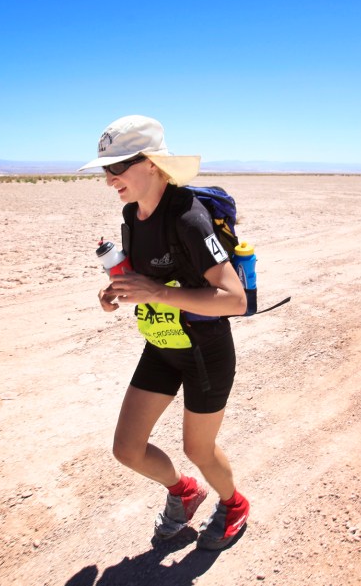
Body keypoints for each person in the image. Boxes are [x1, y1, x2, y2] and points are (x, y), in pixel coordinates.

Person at [79, 115, 250, 550]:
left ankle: (234, 504)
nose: (109, 180)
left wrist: (156, 290)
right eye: (105, 170)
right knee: (128, 449)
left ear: (152, 163)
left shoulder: (190, 218)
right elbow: (145, 274)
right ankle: (184, 492)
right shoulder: (131, 216)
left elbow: (234, 300)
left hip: (204, 352)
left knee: (200, 449)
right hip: (161, 345)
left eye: (118, 168)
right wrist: (115, 290)